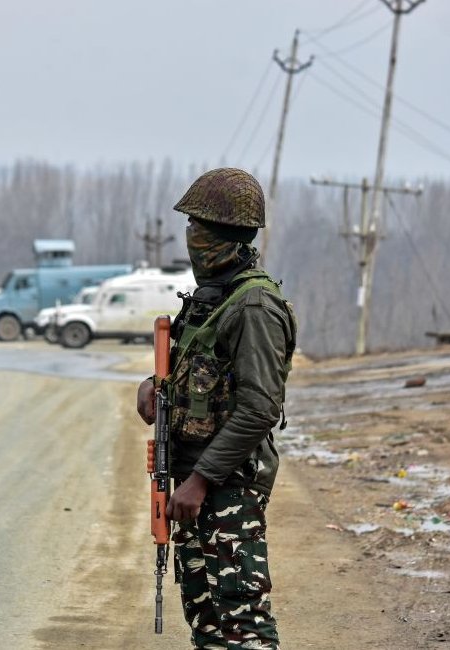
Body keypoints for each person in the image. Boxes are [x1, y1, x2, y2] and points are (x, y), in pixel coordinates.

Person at [136, 168, 297, 650]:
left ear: (222, 238)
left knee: (241, 621)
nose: (189, 240)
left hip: (226, 484)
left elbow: (258, 408)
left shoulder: (253, 307)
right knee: (207, 618)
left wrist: (201, 479)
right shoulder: (212, 300)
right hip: (194, 482)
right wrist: (152, 384)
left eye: (196, 230)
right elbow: (193, 370)